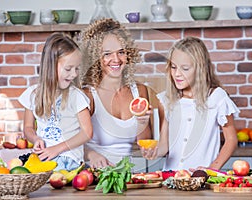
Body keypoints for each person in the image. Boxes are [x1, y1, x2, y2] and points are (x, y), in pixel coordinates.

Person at [141, 37, 239, 172]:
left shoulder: (217, 97)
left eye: (185, 68)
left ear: (200, 69)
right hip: (171, 178)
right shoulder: (166, 100)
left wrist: (212, 169)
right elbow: (166, 144)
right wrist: (154, 152)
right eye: (173, 67)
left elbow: (231, 140)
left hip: (202, 179)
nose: (177, 74)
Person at [75, 18, 152, 168]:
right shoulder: (88, 95)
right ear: (96, 58)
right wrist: (92, 154)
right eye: (107, 54)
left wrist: (142, 121)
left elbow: (145, 144)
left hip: (126, 175)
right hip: (92, 177)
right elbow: (69, 141)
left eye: (121, 52)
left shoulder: (139, 91)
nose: (116, 59)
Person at [18, 32, 93, 171]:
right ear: (51, 66)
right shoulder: (32, 94)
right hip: (42, 159)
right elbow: (28, 128)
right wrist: (35, 139)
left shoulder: (76, 96)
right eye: (68, 69)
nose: (74, 74)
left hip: (70, 160)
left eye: (77, 68)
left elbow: (87, 132)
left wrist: (57, 149)